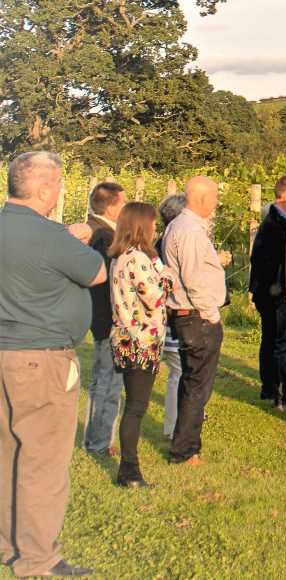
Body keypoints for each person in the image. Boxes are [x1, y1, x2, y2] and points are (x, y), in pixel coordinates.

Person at [0, 151, 105, 577]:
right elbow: (96, 273)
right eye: (58, 185)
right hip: (41, 359)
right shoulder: (50, 234)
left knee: (6, 453)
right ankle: (38, 558)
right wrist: (71, 236)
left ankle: (8, 544)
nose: (59, 191)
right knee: (43, 460)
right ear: (43, 189)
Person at [109, 202, 173, 487]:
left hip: (126, 336)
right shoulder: (137, 259)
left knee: (135, 404)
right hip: (140, 340)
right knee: (136, 407)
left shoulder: (120, 256)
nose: (155, 228)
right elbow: (154, 297)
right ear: (141, 226)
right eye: (152, 223)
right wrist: (168, 279)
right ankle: (129, 471)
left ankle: (129, 468)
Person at [163, 176, 226, 465]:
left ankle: (185, 443)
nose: (217, 203)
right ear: (201, 199)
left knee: (193, 382)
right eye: (214, 197)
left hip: (192, 315)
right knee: (197, 385)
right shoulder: (188, 230)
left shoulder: (185, 227)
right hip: (197, 316)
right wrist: (211, 314)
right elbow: (193, 280)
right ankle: (185, 450)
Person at [249, 176, 286, 408]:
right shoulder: (278, 224)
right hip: (277, 291)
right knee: (284, 341)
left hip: (267, 290)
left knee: (271, 338)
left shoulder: (278, 220)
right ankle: (284, 394)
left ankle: (270, 388)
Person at [83, 181, 127, 458]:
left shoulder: (95, 231)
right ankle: (99, 442)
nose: (124, 208)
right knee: (108, 383)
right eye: (122, 203)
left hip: (99, 317)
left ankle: (95, 438)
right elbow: (110, 284)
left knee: (102, 380)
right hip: (108, 319)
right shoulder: (104, 237)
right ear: (111, 206)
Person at [156, 194, 187, 439]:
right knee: (179, 373)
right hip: (172, 319)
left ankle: (179, 420)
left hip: (167, 318)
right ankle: (175, 424)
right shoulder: (173, 245)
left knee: (179, 372)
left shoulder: (160, 242)